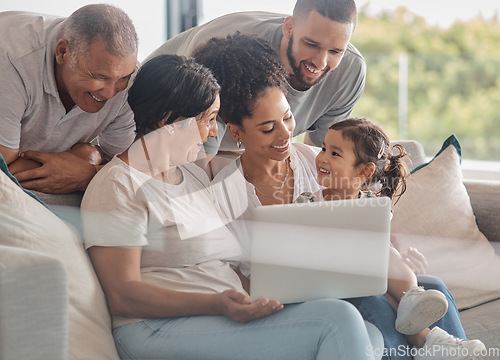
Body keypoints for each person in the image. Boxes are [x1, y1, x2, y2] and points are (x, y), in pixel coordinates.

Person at [194, 32, 484, 360]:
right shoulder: (226, 191)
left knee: (433, 288)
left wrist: (398, 257)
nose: (285, 133)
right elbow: (229, 270)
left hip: (347, 277)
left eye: (288, 118)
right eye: (267, 128)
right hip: (289, 298)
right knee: (373, 300)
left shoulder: (316, 159)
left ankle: (446, 348)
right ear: (237, 132)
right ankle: (428, 344)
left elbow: (362, 211)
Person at [80, 54, 383, 360]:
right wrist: (215, 304)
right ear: (169, 121)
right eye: (209, 119)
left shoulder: (194, 176)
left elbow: (232, 268)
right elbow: (123, 295)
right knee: (337, 321)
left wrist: (281, 294)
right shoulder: (118, 186)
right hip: (155, 328)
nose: (214, 132)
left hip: (220, 316)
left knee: (368, 332)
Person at [314, 118, 486, 359]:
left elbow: (381, 252)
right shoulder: (310, 204)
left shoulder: (372, 208)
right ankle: (425, 336)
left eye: (334, 153)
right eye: (323, 148)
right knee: (373, 290)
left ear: (364, 171)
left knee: (434, 284)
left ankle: (425, 318)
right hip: (332, 284)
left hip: (369, 276)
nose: (322, 157)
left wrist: (402, 265)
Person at [144, 0, 365, 156]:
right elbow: (197, 157)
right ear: (289, 27)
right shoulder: (232, 55)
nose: (320, 62)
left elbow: (318, 154)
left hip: (231, 147)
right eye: (311, 44)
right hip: (153, 118)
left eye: (335, 51)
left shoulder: (349, 73)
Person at [0, 4, 138, 195]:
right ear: (62, 52)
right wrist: (83, 156)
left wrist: (88, 172)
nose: (110, 94)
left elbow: (128, 170)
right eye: (99, 76)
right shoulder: (11, 60)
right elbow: (5, 173)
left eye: (122, 78)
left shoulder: (129, 82)